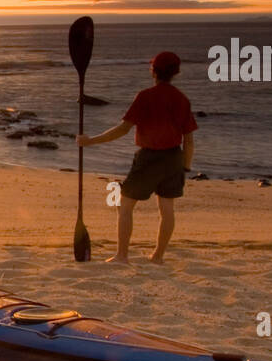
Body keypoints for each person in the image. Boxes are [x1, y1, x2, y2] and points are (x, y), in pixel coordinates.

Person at [75, 51, 196, 265]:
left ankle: (122, 256)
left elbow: (123, 129)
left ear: (154, 71)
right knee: (167, 209)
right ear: (175, 72)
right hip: (173, 158)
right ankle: (158, 257)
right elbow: (189, 140)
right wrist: (185, 167)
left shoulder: (146, 96)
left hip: (149, 158)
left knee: (126, 205)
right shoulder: (181, 99)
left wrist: (90, 141)